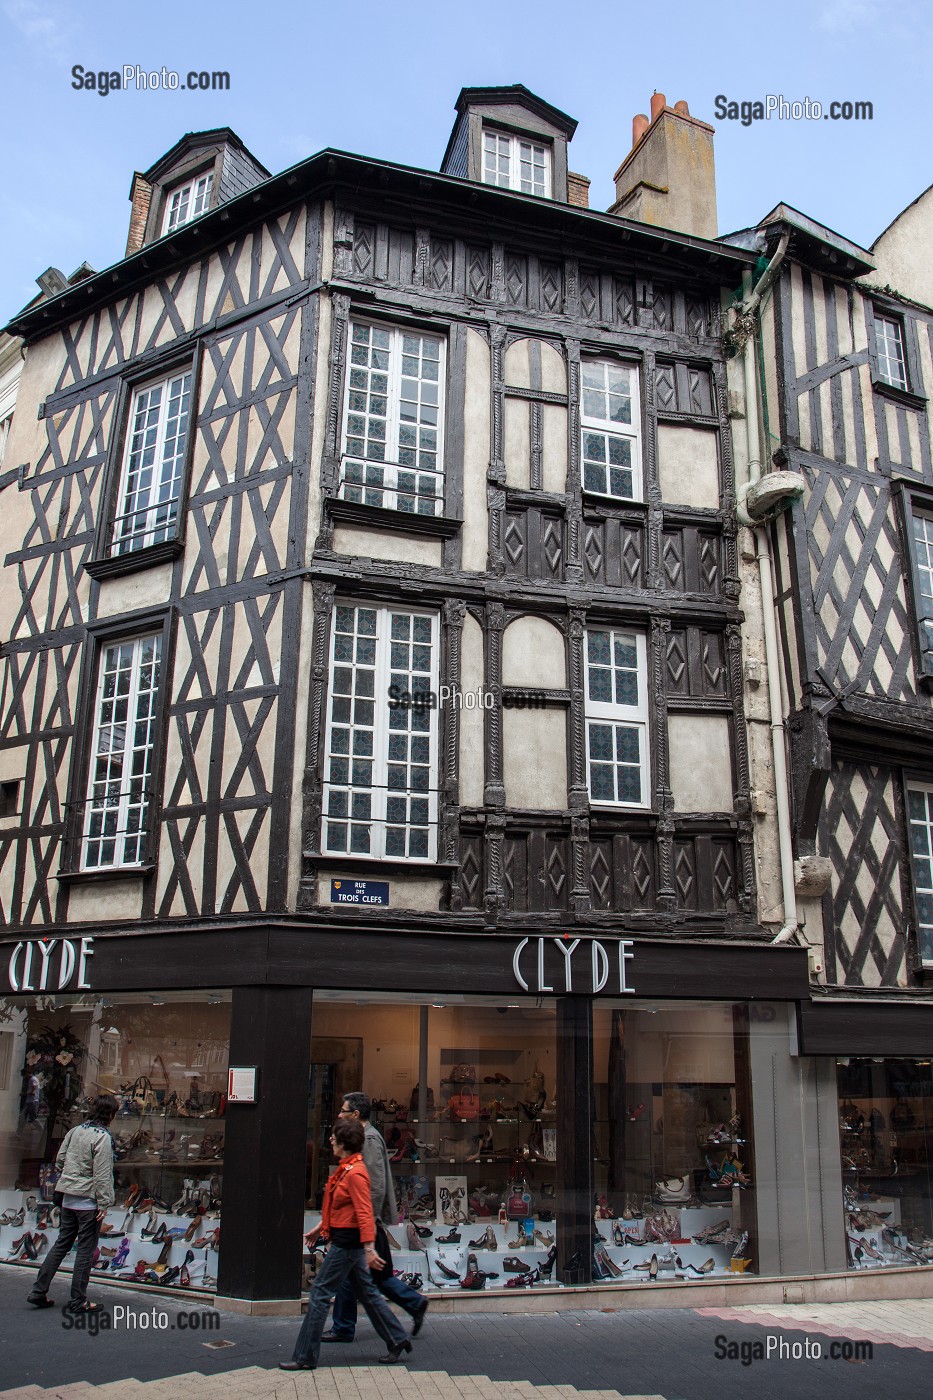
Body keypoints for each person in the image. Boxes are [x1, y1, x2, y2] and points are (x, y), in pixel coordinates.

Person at [280, 1117, 412, 1371]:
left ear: (344, 1143)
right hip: (347, 1241)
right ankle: (397, 1338)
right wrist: (322, 1227)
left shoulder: (356, 1173)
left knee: (319, 1294)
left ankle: (305, 1356)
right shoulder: (347, 1168)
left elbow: (364, 1212)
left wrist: (369, 1248)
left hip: (348, 1245)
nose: (330, 1140)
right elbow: (343, 1207)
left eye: (334, 1137)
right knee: (368, 1293)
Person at [323, 1091, 428, 1343]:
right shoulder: (364, 1136)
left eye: (343, 1110)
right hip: (361, 1222)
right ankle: (347, 1325)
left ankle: (346, 1327)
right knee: (366, 1277)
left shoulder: (368, 1139)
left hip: (363, 1223)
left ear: (356, 1114)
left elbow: (373, 1185)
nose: (339, 1114)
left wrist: (366, 1221)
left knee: (367, 1277)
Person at [27, 1092, 118, 1313]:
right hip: (88, 1202)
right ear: (111, 1114)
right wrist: (105, 1203)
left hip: (68, 1198)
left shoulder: (75, 1131)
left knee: (62, 1244)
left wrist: (71, 1178)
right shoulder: (102, 1137)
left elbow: (60, 1160)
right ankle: (78, 1300)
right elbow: (102, 1173)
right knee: (86, 1250)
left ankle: (38, 1290)